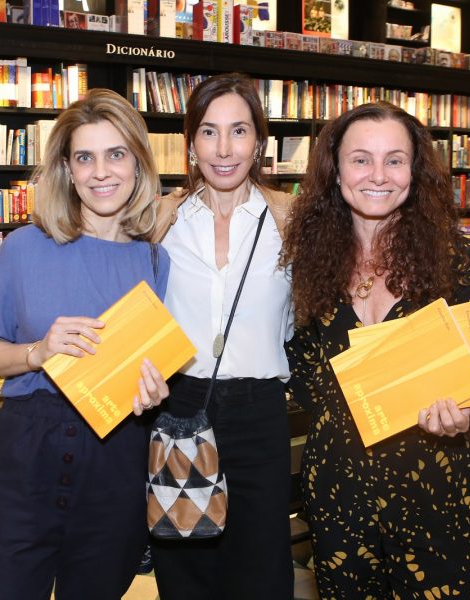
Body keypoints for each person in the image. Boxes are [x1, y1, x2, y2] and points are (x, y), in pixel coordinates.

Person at [0, 88, 170, 600]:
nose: (102, 172)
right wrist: (35, 352)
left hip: (117, 455)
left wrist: (155, 390)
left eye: (116, 154)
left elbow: (158, 360)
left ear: (139, 163)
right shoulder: (25, 247)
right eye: (85, 157)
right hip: (27, 451)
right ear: (68, 169)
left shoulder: (156, 261)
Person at [281, 101, 470, 597]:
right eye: (361, 159)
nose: (378, 175)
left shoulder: (460, 263)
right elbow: (305, 377)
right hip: (338, 491)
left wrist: (469, 410)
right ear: (335, 170)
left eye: (395, 159)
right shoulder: (307, 264)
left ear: (415, 171)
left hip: (437, 485)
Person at [151, 72, 295, 599]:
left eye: (238, 131)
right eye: (209, 132)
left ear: (259, 141)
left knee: (261, 568)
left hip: (260, 413)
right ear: (190, 144)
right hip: (182, 403)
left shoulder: (289, 219)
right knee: (186, 566)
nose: (224, 148)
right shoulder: (162, 220)